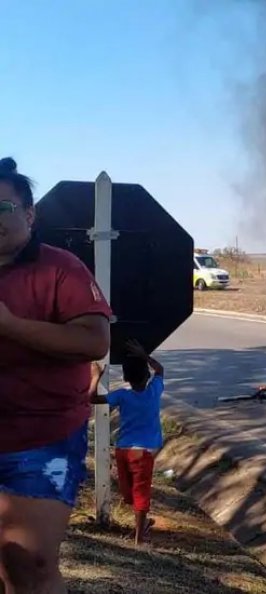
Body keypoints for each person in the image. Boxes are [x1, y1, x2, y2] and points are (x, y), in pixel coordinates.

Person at [0, 157, 112, 593]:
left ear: (29, 215)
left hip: (41, 437)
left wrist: (10, 326)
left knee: (30, 561)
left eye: (2, 209)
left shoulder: (60, 268)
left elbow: (94, 341)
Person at [91, 339, 164, 545]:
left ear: (125, 377)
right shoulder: (153, 390)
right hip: (128, 450)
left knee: (137, 493)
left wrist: (95, 378)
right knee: (130, 495)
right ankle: (143, 522)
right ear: (147, 375)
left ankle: (139, 537)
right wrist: (144, 355)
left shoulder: (126, 395)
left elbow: (92, 398)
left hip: (135, 451)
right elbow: (160, 369)